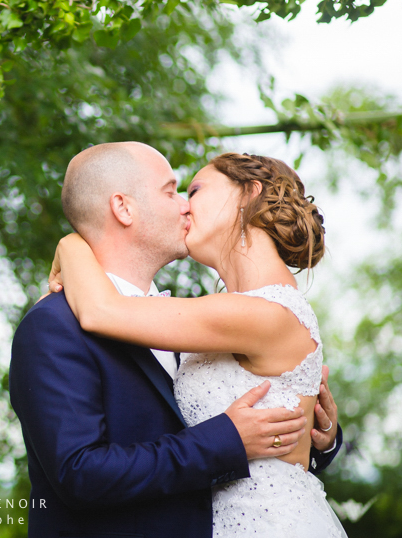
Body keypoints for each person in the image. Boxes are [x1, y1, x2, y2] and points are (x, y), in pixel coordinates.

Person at [43, 145, 346, 537]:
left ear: (249, 193)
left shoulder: (263, 312)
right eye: (175, 193)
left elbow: (102, 311)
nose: (184, 206)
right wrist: (322, 437)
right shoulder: (215, 315)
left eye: (195, 190)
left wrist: (71, 243)